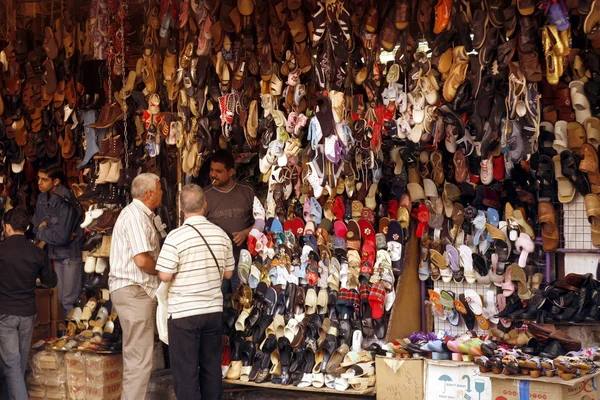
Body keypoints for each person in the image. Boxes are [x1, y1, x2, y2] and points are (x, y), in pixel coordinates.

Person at [157, 184, 234, 400]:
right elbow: (228, 274)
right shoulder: (221, 235)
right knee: (211, 370)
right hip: (212, 312)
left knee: (186, 373)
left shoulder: (175, 237)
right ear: (205, 205)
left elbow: (164, 275)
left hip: (184, 315)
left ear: (181, 207)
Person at [108, 173, 162, 400]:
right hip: (135, 291)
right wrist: (164, 272)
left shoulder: (138, 215)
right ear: (149, 193)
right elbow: (142, 260)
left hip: (134, 291)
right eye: (159, 189)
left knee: (138, 358)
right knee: (138, 360)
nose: (161, 193)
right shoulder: (136, 217)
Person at [0, 208, 57, 400]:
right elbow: (51, 282)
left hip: (5, 313)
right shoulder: (36, 252)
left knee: (12, 363)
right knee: (19, 362)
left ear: (7, 227)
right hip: (27, 313)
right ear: (25, 227)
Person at [31, 164, 84, 315]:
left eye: (44, 179)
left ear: (56, 182)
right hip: (55, 255)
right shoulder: (42, 197)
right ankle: (69, 335)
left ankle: (76, 336)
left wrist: (43, 229)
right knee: (61, 300)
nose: (39, 183)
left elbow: (61, 237)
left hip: (69, 255)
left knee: (68, 301)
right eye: (39, 179)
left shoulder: (65, 200)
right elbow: (35, 227)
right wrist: (46, 230)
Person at [204, 149, 256, 293]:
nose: (213, 175)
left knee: (242, 301)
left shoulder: (247, 192)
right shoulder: (204, 197)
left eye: (219, 171)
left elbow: (261, 221)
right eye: (212, 170)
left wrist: (246, 232)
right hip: (216, 264)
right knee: (217, 306)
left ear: (231, 172)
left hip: (242, 260)